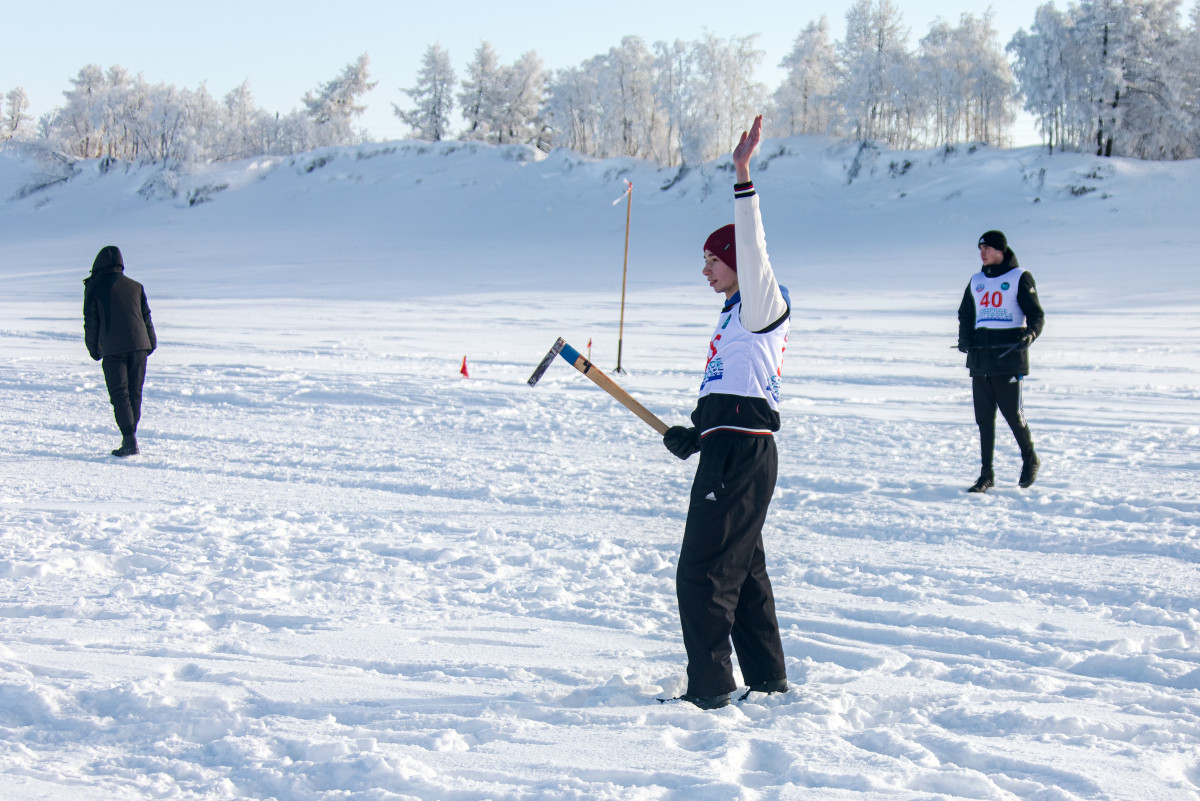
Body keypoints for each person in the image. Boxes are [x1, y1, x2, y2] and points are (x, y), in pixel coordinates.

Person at [661, 116, 790, 710]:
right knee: (744, 571)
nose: (706, 270)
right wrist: (696, 431)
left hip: (741, 451)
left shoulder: (762, 303)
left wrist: (742, 177)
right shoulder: (732, 316)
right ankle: (766, 680)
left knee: (703, 575)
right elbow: (728, 384)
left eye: (714, 259)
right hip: (730, 444)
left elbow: (754, 244)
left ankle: (709, 691)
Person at [957, 230, 1045, 492]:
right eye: (979, 248)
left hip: (1008, 358)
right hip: (981, 359)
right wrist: (965, 340)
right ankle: (986, 474)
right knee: (984, 419)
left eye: (987, 248)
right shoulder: (976, 281)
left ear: (1001, 251)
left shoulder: (1019, 277)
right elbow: (965, 314)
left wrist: (1031, 334)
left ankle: (1030, 458)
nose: (982, 253)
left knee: (1012, 414)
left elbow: (1036, 315)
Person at [83, 245, 157, 457]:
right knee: (134, 391)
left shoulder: (94, 287)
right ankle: (130, 436)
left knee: (120, 393)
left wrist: (93, 349)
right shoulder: (136, 286)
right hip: (140, 345)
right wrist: (150, 342)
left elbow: (91, 322)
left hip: (113, 347)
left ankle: (129, 439)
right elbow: (146, 317)